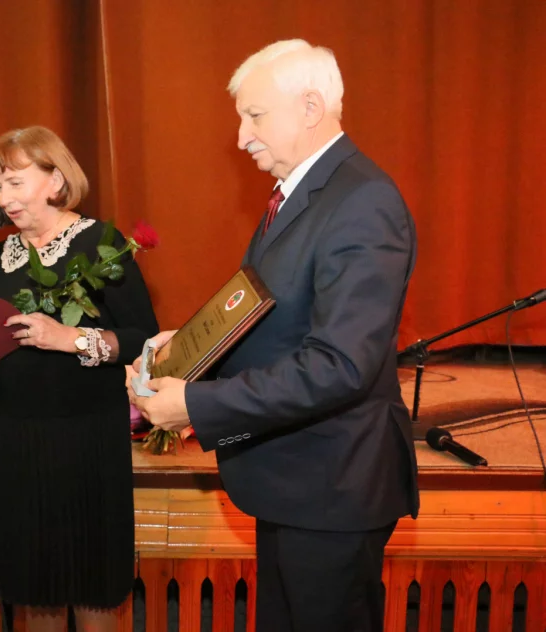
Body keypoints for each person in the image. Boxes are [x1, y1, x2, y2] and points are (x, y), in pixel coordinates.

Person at [131, 40, 419, 632]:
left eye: (254, 116)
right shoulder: (303, 195)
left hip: (333, 485)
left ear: (310, 107)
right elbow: (272, 315)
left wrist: (197, 402)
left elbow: (339, 365)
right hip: (296, 476)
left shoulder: (363, 201)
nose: (241, 137)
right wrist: (190, 350)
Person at [0, 125, 158, 631]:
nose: (3, 198)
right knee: (37, 582)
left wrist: (71, 339)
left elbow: (142, 337)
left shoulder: (101, 243)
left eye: (15, 182)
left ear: (55, 180)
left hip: (86, 440)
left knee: (90, 578)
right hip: (19, 436)